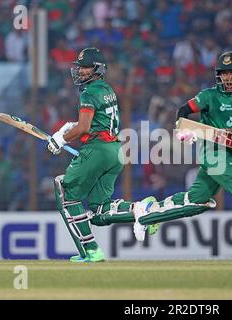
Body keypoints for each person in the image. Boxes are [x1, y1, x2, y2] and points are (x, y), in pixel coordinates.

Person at [131, 51, 232, 263]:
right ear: (218, 75)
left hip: (229, 153)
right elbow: (183, 111)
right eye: (225, 74)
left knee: (196, 201)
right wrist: (183, 130)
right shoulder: (208, 96)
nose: (229, 78)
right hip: (211, 152)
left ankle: (147, 216)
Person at [47, 48, 157, 263]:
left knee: (68, 194)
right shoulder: (107, 89)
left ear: (97, 69)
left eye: (85, 67)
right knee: (99, 209)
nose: (80, 71)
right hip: (115, 151)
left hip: (97, 150)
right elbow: (91, 123)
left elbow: (85, 127)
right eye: (79, 67)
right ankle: (142, 209)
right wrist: (68, 130)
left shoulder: (88, 93)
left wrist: (61, 139)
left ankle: (91, 250)